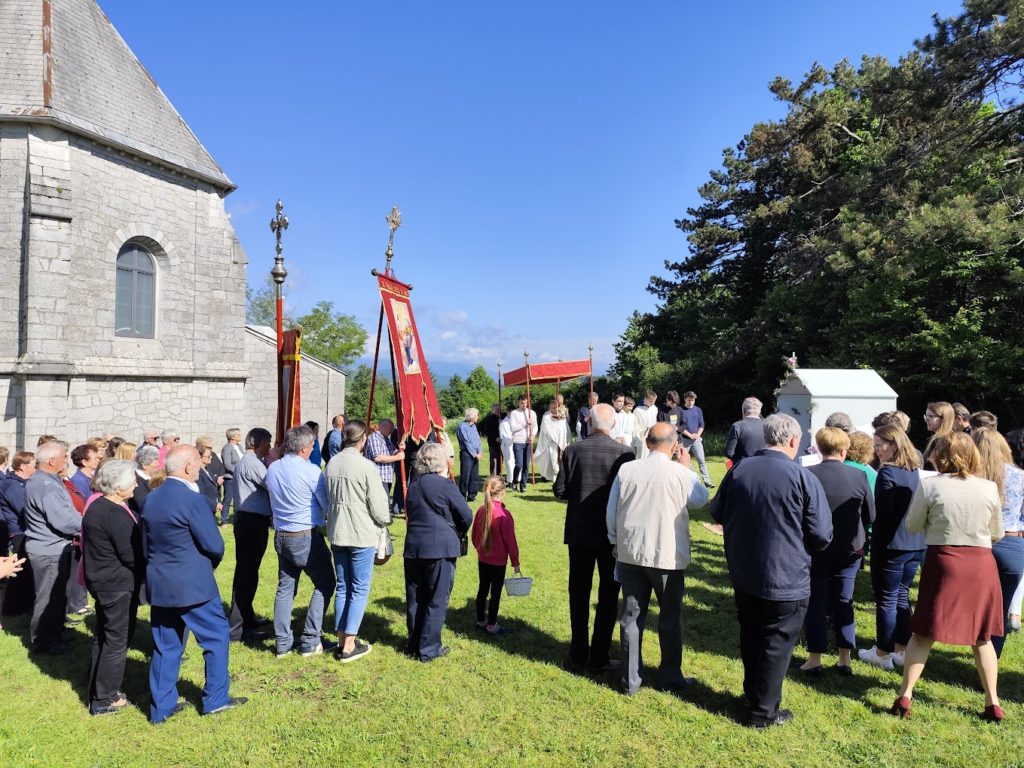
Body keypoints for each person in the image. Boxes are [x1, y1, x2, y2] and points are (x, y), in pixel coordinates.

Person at [710, 414, 832, 729]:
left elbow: (717, 511)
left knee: (752, 635)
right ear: (793, 441)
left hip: (746, 571)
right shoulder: (802, 477)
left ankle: (756, 697)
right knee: (776, 643)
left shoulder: (739, 470)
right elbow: (821, 534)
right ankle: (762, 711)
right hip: (786, 576)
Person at [891, 433, 1004, 720]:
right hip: (980, 563)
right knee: (982, 636)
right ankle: (993, 702)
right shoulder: (989, 487)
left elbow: (913, 524)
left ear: (941, 456)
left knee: (924, 631)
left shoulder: (930, 485)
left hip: (944, 561)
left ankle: (905, 695)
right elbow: (997, 533)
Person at [144, 445, 245, 723]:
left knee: (166, 645)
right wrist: (206, 565)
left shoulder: (152, 498)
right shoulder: (192, 501)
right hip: (193, 585)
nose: (201, 469)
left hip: (160, 583)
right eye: (199, 465)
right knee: (215, 637)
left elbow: (145, 544)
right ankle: (215, 699)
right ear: (189, 467)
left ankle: (160, 708)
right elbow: (214, 544)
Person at [606, 422, 709, 695]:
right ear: (674, 445)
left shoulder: (627, 469)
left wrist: (615, 540)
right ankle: (670, 675)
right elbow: (701, 500)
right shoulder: (680, 473)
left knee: (631, 616)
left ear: (648, 442)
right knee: (670, 617)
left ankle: (631, 679)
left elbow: (612, 508)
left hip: (631, 551)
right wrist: (687, 467)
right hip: (667, 555)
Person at [553, 403, 635, 674]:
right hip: (611, 536)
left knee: (578, 593)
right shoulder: (625, 454)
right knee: (609, 595)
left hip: (579, 532)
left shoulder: (573, 450)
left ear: (589, 421)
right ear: (613, 425)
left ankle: (578, 654)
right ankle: (598, 655)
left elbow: (560, 490)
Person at [802, 428, 875, 676]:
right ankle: (845, 658)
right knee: (844, 600)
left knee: (817, 600)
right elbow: (870, 516)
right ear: (844, 450)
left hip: (816, 548)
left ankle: (814, 657)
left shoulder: (807, 474)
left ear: (819, 449)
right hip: (850, 549)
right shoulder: (859, 476)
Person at [859, 424, 926, 670]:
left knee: (886, 599)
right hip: (914, 543)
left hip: (891, 545)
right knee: (901, 596)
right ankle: (902, 647)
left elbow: (881, 515)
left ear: (894, 445)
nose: (876, 451)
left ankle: (882, 652)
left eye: (879, 445)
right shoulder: (914, 470)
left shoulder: (888, 473)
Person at [266, 425, 336, 658]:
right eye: (313, 445)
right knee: (325, 583)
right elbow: (326, 505)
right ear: (306, 448)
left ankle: (283, 643)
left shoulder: (273, 468)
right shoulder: (311, 471)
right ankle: (310, 639)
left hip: (282, 534)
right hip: (304, 535)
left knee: (285, 588)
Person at [324, 420, 391, 663]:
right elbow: (379, 504)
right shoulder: (365, 466)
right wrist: (385, 521)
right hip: (360, 533)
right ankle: (349, 645)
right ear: (362, 439)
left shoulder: (332, 462)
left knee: (343, 586)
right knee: (359, 588)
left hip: (338, 531)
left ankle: (343, 639)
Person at [82, 460, 144, 716]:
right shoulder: (114, 513)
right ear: (119, 486)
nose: (137, 484)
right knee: (116, 640)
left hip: (102, 581)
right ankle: (105, 698)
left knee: (105, 636)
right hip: (115, 584)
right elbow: (130, 554)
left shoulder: (97, 505)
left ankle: (97, 689)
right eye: (132, 480)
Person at [403, 442, 472, 662]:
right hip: (440, 548)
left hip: (414, 547)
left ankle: (414, 643)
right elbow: (466, 515)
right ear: (441, 461)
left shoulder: (413, 485)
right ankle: (429, 648)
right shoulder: (445, 485)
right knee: (437, 598)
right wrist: (455, 530)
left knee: (415, 597)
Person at [24, 441, 82, 654]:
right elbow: (64, 521)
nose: (66, 460)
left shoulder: (45, 480)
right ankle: (43, 642)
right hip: (49, 550)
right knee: (48, 598)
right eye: (64, 456)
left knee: (57, 596)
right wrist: (89, 523)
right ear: (52, 461)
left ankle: (54, 634)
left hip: (53, 547)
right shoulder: (45, 485)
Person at [973, 428, 1024, 657]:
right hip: (1012, 543)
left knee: (974, 605)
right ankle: (990, 663)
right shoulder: (1020, 476)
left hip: (978, 543)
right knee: (1000, 610)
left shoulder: (972, 477)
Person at [228, 428, 274, 643]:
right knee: (245, 573)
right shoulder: (253, 463)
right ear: (258, 443)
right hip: (251, 522)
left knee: (249, 571)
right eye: (268, 443)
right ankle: (238, 628)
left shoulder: (252, 461)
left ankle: (246, 616)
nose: (270, 447)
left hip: (252, 521)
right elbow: (272, 484)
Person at [472, 475, 521, 635]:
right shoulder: (503, 515)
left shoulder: (481, 510)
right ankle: (491, 625)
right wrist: (515, 561)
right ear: (502, 492)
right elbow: (511, 542)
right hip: (498, 562)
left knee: (483, 589)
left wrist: (480, 549)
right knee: (495, 594)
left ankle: (481, 620)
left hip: (483, 559)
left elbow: (474, 536)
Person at [0, 451, 36, 617]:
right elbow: (24, 510)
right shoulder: (12, 485)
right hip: (19, 532)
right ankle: (13, 607)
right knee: (19, 571)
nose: (36, 467)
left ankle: (23, 605)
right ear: (22, 466)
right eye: (33, 464)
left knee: (25, 571)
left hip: (26, 530)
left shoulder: (25, 483)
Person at [678, 391, 714, 488]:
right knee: (685, 461)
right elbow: (679, 427)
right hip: (685, 440)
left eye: (693, 400)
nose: (691, 402)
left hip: (696, 440)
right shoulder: (680, 410)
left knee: (701, 460)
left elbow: (702, 424)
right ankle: (694, 480)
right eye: (689, 400)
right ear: (685, 399)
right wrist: (690, 435)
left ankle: (707, 482)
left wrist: (697, 435)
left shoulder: (698, 410)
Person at [364, 418, 405, 502]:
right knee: (381, 503)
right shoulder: (374, 438)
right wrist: (398, 457)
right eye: (390, 428)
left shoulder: (385, 439)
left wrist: (401, 449)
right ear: (382, 426)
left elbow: (394, 452)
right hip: (378, 477)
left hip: (386, 477)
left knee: (384, 501)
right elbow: (378, 457)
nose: (391, 431)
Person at [724, 397, 766, 468]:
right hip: (763, 468)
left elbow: (729, 453)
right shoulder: (768, 426)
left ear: (743, 410)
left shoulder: (737, 426)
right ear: (759, 411)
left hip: (742, 469)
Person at [535, 399, 570, 482]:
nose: (554, 409)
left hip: (560, 442)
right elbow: (546, 427)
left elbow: (562, 428)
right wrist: (553, 435)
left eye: (555, 407)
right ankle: (549, 477)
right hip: (549, 442)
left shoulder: (562, 416)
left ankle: (560, 477)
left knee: (560, 459)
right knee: (550, 460)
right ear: (550, 407)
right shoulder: (546, 416)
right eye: (552, 407)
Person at [509, 395, 537, 493]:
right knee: (519, 464)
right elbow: (513, 428)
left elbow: (535, 426)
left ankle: (523, 485)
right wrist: (524, 424)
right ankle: (515, 481)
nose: (524, 405)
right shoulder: (514, 413)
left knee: (526, 465)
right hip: (518, 441)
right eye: (522, 403)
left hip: (528, 442)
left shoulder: (532, 413)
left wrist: (533, 434)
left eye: (525, 403)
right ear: (518, 402)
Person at [456, 408, 483, 502]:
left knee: (474, 476)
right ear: (471, 417)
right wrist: (474, 454)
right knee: (465, 476)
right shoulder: (462, 426)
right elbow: (466, 442)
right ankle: (462, 496)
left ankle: (472, 495)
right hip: (467, 454)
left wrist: (480, 451)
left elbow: (478, 440)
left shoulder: (474, 426)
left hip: (475, 454)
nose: (478, 417)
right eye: (476, 415)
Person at [922, 401, 955, 470]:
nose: (927, 419)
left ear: (944, 418)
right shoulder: (937, 438)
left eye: (931, 416)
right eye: (926, 416)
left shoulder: (943, 440)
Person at [221, 428, 244, 522]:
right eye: (238, 434)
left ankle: (237, 519)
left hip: (240, 478)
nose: (240, 436)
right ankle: (224, 520)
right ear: (232, 437)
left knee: (238, 499)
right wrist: (238, 471)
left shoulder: (240, 447)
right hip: (230, 478)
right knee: (227, 499)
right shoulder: (227, 448)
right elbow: (227, 464)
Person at [131, 444, 160, 516]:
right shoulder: (137, 482)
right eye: (155, 462)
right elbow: (144, 505)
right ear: (145, 465)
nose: (158, 464)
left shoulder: (150, 477)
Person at [196, 446, 223, 523]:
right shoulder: (198, 473)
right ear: (200, 457)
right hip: (204, 511)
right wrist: (214, 505)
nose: (211, 457)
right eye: (208, 456)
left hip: (210, 510)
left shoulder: (207, 469)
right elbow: (201, 494)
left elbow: (213, 486)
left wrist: (218, 501)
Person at [631, 390, 659, 459]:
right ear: (645, 399)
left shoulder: (654, 408)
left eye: (654, 401)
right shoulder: (637, 410)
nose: (653, 403)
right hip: (642, 438)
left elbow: (654, 421)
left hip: (652, 436)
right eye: (651, 401)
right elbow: (635, 428)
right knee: (642, 457)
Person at [480, 404, 502, 477]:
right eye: (496, 409)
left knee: (500, 460)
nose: (497, 411)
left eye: (498, 409)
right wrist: (496, 438)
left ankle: (499, 475)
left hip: (502, 443)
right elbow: (488, 431)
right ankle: (493, 476)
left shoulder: (502, 417)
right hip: (493, 443)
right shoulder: (489, 419)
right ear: (492, 410)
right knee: (494, 460)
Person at [499, 410, 515, 486]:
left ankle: (517, 478)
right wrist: (512, 438)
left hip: (516, 444)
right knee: (509, 463)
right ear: (508, 413)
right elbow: (504, 435)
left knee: (516, 463)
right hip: (508, 445)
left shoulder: (515, 421)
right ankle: (510, 480)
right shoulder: (503, 423)